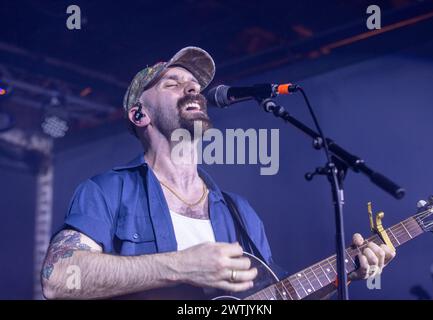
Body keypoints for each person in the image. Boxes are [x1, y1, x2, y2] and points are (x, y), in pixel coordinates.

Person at [41, 47, 395, 300]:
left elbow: (275, 298)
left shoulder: (240, 212)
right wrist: (181, 267)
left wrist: (344, 274)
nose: (192, 87)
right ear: (140, 115)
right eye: (172, 83)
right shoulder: (107, 191)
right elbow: (57, 278)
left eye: (194, 83)